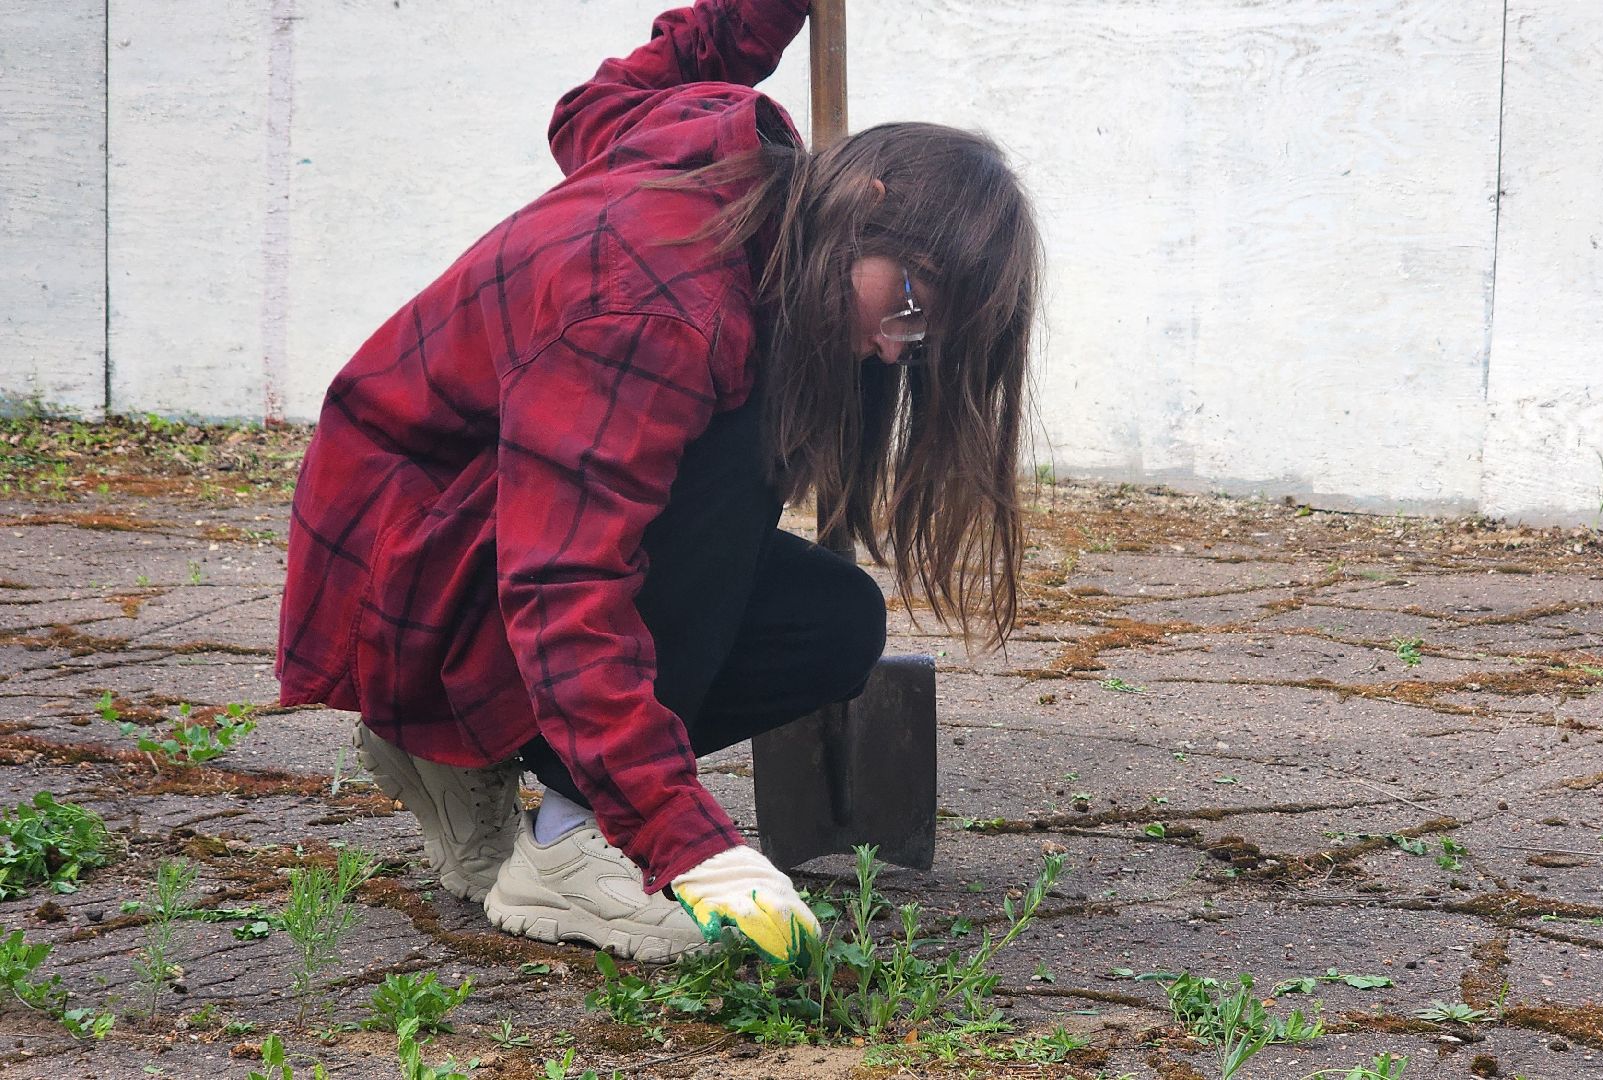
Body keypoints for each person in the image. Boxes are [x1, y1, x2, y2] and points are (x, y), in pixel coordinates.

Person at [275, 0, 1039, 967]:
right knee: (745, 431)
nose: (896, 347)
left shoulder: (714, 161)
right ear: (867, 199)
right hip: (408, 578)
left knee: (833, 622)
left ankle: (458, 746)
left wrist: (764, 13)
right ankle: (563, 836)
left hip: (462, 536)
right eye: (910, 302)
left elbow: (601, 101)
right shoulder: (662, 306)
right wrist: (678, 835)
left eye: (926, 338)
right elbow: (566, 588)